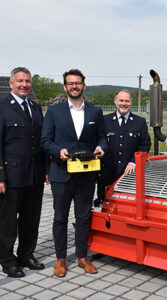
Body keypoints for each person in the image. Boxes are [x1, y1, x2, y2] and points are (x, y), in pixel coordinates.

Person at [41, 69, 107, 277]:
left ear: (84, 86)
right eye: (70, 83)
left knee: (83, 216)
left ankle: (81, 256)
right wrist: (57, 152)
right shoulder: (54, 112)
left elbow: (102, 138)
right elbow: (45, 141)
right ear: (65, 87)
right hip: (62, 173)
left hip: (86, 175)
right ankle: (60, 258)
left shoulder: (95, 112)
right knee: (60, 218)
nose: (74, 86)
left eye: (78, 83)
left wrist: (101, 147)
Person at [0, 67, 47, 277]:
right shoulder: (2, 107)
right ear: (11, 84)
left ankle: (26, 255)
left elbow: (41, 142)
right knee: (8, 222)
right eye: (20, 81)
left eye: (27, 81)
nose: (24, 85)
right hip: (11, 176)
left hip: (34, 174)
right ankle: (7, 261)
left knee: (31, 219)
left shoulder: (36, 109)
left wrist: (45, 170)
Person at [95, 90, 151, 205]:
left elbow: (145, 145)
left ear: (131, 102)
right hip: (107, 173)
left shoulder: (139, 122)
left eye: (127, 101)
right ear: (115, 101)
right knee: (104, 204)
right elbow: (97, 141)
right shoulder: (104, 121)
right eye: (121, 100)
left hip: (129, 174)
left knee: (126, 204)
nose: (124, 103)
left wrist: (133, 162)